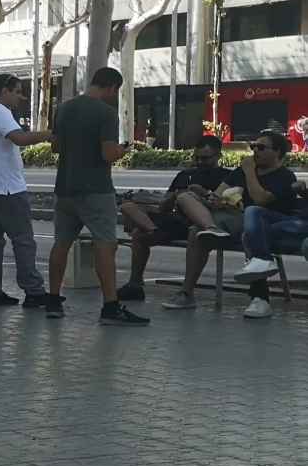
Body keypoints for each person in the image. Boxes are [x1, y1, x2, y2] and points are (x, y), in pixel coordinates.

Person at [43, 66, 149, 325]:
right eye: (116, 91)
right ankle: (111, 307)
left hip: (65, 188)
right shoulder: (106, 113)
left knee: (61, 244)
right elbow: (108, 154)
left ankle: (53, 300)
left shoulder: (64, 108)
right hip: (96, 190)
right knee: (105, 244)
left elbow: (55, 147)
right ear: (112, 86)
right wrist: (124, 150)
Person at [163, 129, 299, 318]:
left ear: (277, 152)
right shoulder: (239, 172)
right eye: (253, 147)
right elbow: (218, 194)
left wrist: (250, 171)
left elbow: (260, 200)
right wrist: (210, 198)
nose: (255, 152)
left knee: (250, 231)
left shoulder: (284, 176)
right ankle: (186, 292)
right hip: (232, 216)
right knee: (195, 229)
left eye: (261, 147)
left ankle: (260, 298)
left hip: (263, 224)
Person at [0, 73, 54, 307]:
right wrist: (49, 134)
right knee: (23, 240)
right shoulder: (0, 112)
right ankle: (34, 292)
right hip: (7, 188)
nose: (20, 96)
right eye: (17, 91)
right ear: (4, 91)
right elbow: (20, 138)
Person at [115, 135, 228, 301]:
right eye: (196, 158)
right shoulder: (185, 175)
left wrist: (202, 195)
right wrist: (173, 197)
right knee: (134, 222)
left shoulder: (226, 177)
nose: (200, 162)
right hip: (176, 220)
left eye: (205, 158)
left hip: (203, 223)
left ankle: (186, 292)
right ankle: (135, 284)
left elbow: (228, 206)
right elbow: (164, 207)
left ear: (218, 156)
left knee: (194, 232)